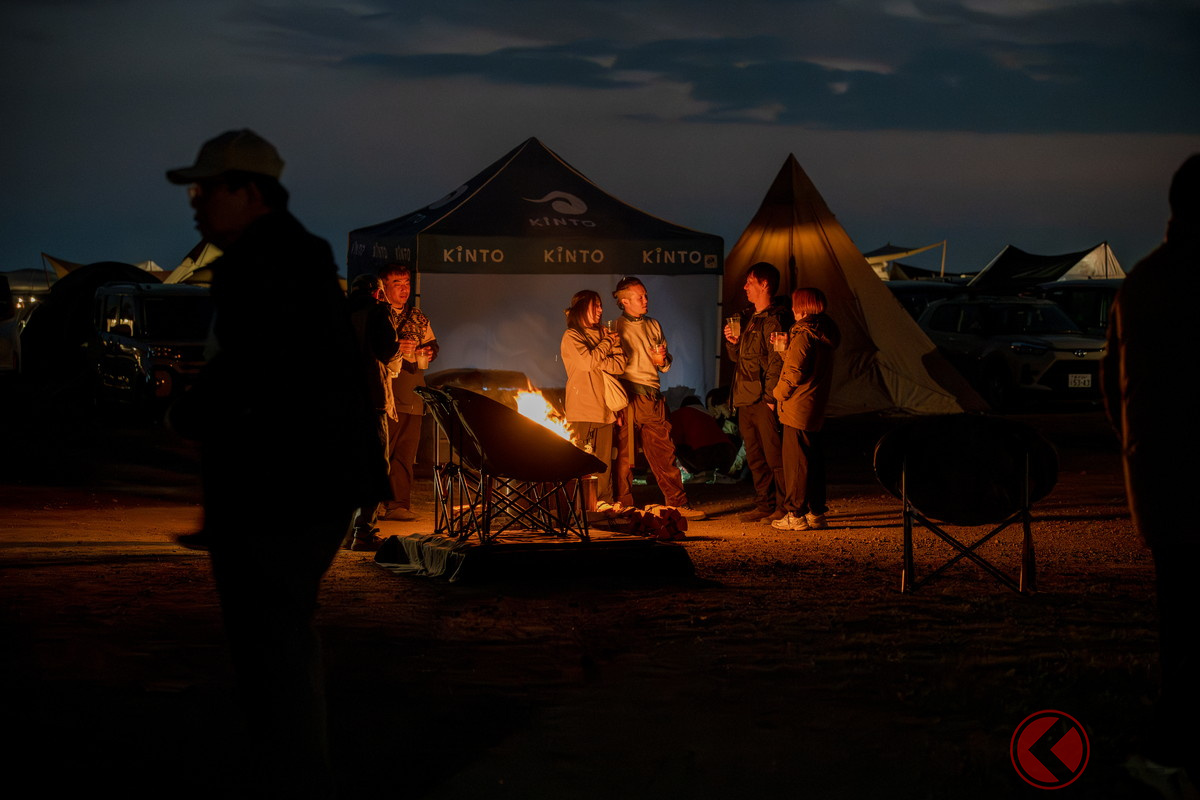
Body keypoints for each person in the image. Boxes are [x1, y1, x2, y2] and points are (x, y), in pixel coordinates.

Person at [166, 129, 385, 797]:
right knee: (280, 632)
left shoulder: (263, 262)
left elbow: (255, 364)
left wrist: (187, 413)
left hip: (284, 487)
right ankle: (293, 765)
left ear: (249, 192)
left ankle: (291, 773)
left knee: (270, 638)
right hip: (308, 482)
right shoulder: (296, 255)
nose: (196, 205)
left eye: (206, 191)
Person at [1103, 154, 1200, 792]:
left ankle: (1173, 747)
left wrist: (1143, 452)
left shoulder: (1142, 283)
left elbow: (1115, 389)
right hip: (1178, 478)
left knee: (1181, 622)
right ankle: (1171, 746)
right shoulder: (1169, 282)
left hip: (1165, 483)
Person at [611, 277, 705, 520]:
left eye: (646, 295)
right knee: (624, 456)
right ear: (624, 301)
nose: (645, 300)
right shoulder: (615, 327)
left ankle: (677, 504)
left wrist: (662, 360)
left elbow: (664, 362)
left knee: (664, 452)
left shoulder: (653, 324)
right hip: (628, 395)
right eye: (640, 297)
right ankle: (622, 505)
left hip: (652, 395)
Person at [724, 262, 793, 522]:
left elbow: (777, 361)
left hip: (763, 398)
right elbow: (739, 359)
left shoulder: (775, 319)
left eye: (750, 282)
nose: (745, 287)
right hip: (745, 396)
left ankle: (785, 506)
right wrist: (733, 343)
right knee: (754, 456)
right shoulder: (749, 318)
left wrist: (771, 397)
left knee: (774, 455)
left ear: (764, 285)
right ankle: (765, 504)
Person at [770, 287, 841, 531]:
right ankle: (816, 512)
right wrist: (783, 350)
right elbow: (801, 363)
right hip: (813, 404)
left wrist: (778, 393)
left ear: (802, 307)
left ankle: (795, 513)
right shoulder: (823, 331)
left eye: (795, 304)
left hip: (797, 407)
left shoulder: (803, 334)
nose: (792, 308)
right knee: (813, 460)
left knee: (797, 463)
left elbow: (795, 372)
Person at [345, 273, 402, 549]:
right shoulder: (378, 312)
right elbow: (388, 350)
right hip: (370, 398)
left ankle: (346, 533)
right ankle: (363, 533)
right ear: (378, 293)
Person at [378, 264, 438, 522]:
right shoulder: (378, 315)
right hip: (386, 393)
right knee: (383, 451)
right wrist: (396, 346)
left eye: (406, 283)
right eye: (397, 283)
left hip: (412, 392)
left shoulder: (417, 316)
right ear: (383, 286)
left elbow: (432, 343)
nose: (404, 289)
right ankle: (370, 508)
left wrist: (429, 352)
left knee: (405, 453)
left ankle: (398, 505)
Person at [560, 289, 626, 510]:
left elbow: (620, 365)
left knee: (603, 462)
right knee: (580, 461)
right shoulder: (572, 336)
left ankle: (603, 504)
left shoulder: (605, 333)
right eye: (595, 305)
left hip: (605, 409)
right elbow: (587, 363)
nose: (600, 310)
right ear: (581, 307)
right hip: (582, 409)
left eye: (600, 305)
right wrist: (606, 345)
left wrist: (601, 354)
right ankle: (578, 507)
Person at [670, 395, 736, 480]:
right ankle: (718, 474)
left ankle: (697, 474)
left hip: (703, 456)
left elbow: (674, 440)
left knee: (676, 446)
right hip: (729, 454)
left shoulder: (680, 414)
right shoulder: (708, 416)